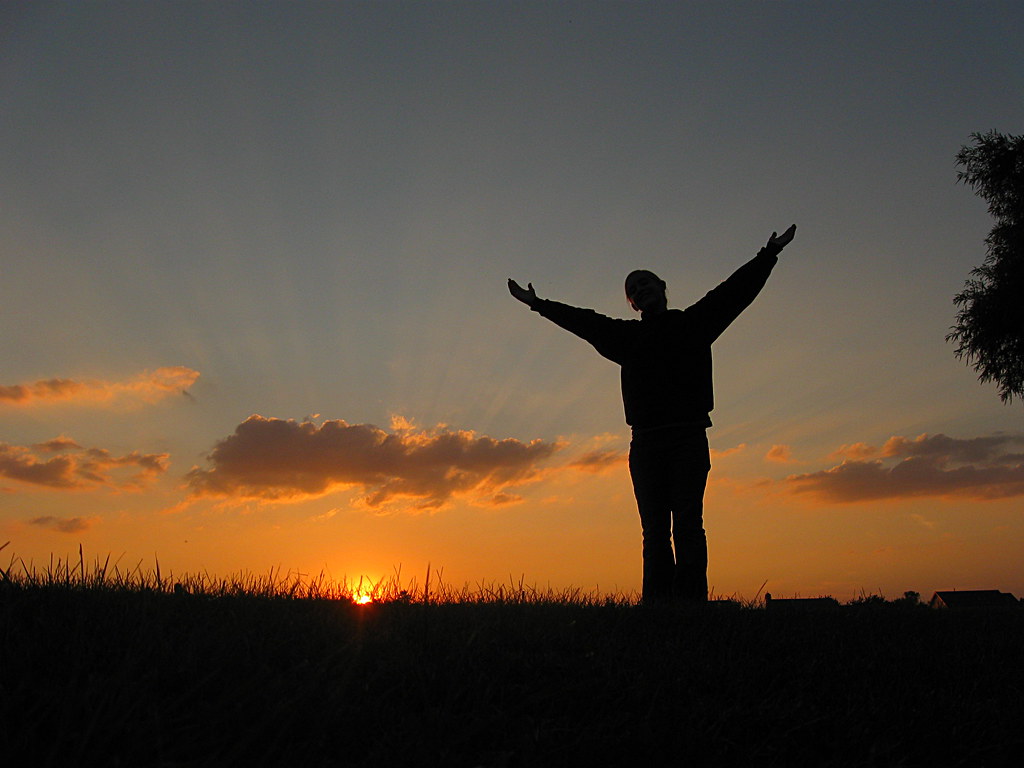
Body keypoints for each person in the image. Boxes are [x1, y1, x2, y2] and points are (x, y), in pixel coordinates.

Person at [508, 225, 796, 604]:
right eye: (633, 291)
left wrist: (768, 254)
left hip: (689, 438)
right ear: (633, 304)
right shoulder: (626, 338)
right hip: (646, 444)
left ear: (662, 286)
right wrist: (539, 303)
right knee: (655, 530)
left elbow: (732, 293)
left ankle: (691, 607)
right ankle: (658, 608)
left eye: (645, 283)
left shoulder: (694, 324)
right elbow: (585, 322)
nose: (641, 290)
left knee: (689, 525)